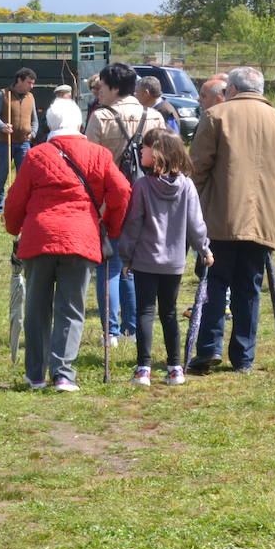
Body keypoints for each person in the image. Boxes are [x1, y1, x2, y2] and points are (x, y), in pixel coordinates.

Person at [4, 98, 130, 392]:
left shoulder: (36, 156)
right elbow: (122, 190)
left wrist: (15, 227)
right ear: (78, 124)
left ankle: (35, 375)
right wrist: (110, 225)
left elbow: (15, 199)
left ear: (49, 124)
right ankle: (62, 373)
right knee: (71, 309)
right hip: (80, 238)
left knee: (37, 308)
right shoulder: (97, 154)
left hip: (39, 237)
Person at [189, 66, 275, 374]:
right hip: (264, 221)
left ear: (231, 90)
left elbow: (196, 168)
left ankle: (209, 348)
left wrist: (200, 203)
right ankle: (243, 357)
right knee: (249, 288)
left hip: (219, 217)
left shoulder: (216, 117)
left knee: (214, 283)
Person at [118, 128, 211, 387]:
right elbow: (196, 224)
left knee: (145, 312)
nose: (142, 151)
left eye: (146, 147)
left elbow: (133, 225)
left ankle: (143, 369)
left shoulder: (142, 186)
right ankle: (175, 368)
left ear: (157, 153)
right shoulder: (187, 186)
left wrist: (126, 258)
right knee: (169, 312)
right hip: (173, 263)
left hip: (146, 261)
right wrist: (204, 248)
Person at [85, 62, 156, 342]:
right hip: (146, 198)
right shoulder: (152, 115)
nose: (98, 91)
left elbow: (90, 165)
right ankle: (133, 327)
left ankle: (111, 332)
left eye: (102, 86)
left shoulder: (100, 117)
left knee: (109, 266)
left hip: (111, 201)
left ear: (114, 87)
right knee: (136, 266)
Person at [0, 68, 38, 220]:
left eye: (33, 83)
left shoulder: (31, 97)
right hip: (6, 143)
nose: (31, 86)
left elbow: (34, 120)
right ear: (20, 80)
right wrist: (2, 126)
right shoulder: (3, 94)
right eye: (29, 82)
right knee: (2, 176)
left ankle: (23, 208)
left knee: (24, 178)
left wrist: (33, 133)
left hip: (24, 143)